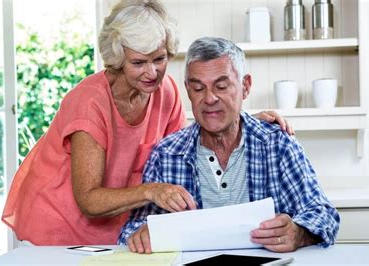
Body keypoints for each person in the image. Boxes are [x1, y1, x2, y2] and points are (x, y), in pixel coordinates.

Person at [1, 1, 292, 246]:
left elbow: (185, 149)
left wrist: (239, 120)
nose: (152, 72)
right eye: (139, 63)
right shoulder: (89, 103)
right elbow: (88, 199)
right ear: (117, 60)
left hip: (117, 227)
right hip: (59, 225)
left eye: (160, 58)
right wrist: (152, 190)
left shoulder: (165, 92)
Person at [118, 37, 340, 254]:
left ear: (245, 86)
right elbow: (132, 228)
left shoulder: (277, 144)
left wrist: (298, 232)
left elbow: (323, 214)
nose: (210, 98)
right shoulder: (165, 154)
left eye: (221, 86)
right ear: (188, 91)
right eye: (198, 89)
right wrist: (143, 235)